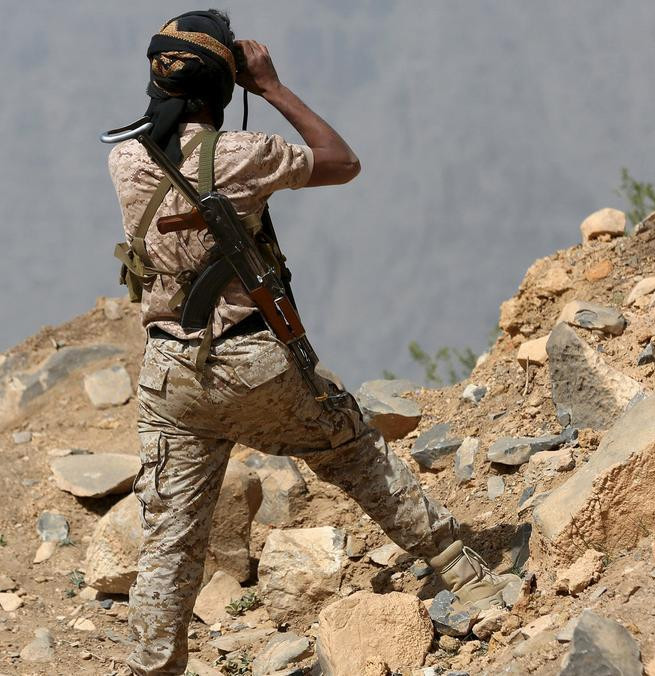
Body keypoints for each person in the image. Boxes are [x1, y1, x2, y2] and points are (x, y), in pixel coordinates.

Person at [106, 10, 513, 675]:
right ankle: (467, 575)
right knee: (353, 451)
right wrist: (269, 86)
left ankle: (152, 667)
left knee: (169, 543)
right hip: (251, 361)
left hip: (169, 374)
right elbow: (341, 161)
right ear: (221, 85)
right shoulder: (241, 155)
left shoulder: (125, 158)